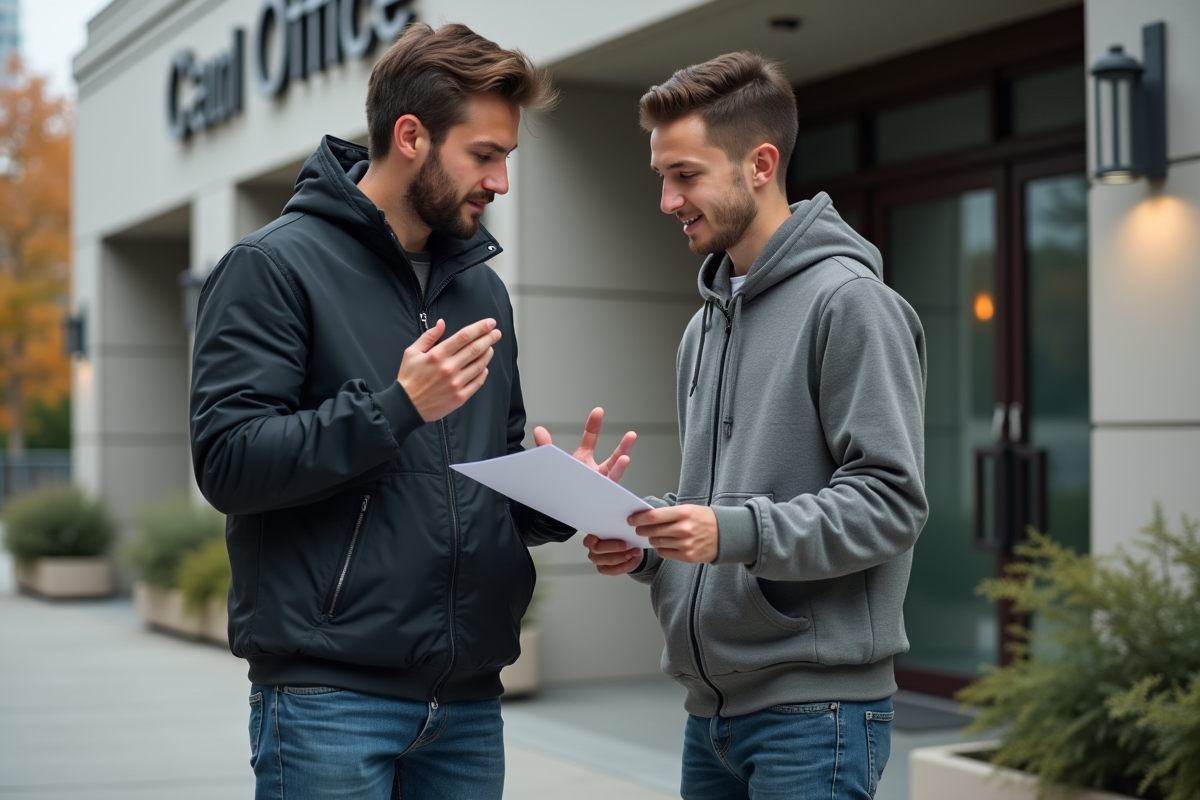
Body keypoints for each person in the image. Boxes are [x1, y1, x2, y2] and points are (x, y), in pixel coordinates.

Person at [189, 22, 634, 800]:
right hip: (329, 700)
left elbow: (480, 472)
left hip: (465, 707)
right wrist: (396, 407)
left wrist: (566, 495)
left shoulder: (480, 290)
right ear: (411, 136)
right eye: (485, 155)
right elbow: (229, 462)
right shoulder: (272, 267)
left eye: (506, 158)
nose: (500, 182)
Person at [583, 52, 928, 800]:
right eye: (662, 177)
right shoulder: (702, 329)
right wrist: (646, 545)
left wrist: (729, 530)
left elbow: (891, 503)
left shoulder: (851, 306)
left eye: (686, 175)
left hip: (817, 714)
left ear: (760, 163)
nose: (668, 199)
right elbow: (722, 514)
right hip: (710, 715)